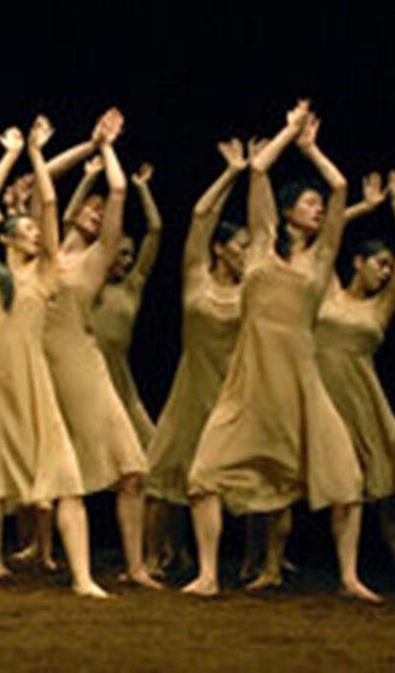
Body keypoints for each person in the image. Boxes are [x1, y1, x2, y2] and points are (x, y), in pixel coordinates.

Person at [184, 100, 380, 603]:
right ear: (289, 210)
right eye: (308, 204)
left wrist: (312, 150)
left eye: (318, 207)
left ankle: (350, 577)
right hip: (250, 381)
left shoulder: (322, 259)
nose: (317, 209)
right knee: (204, 475)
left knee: (346, 480)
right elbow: (259, 169)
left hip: (301, 382)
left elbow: (339, 189)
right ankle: (207, 575)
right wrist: (288, 130)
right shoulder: (260, 248)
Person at [0, 117, 107, 598]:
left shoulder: (47, 273)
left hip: (32, 388)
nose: (35, 234)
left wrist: (36, 152)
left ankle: (83, 578)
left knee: (66, 485)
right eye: (26, 230)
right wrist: (10, 151)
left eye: (36, 231)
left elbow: (50, 202)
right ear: (8, 238)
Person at [42, 108, 160, 588]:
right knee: (55, 473)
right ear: (72, 212)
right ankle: (37, 559)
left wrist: (108, 147)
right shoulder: (46, 249)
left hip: (82, 367)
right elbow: (46, 174)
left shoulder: (95, 260)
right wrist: (88, 146)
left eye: (99, 213)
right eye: (87, 209)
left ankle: (134, 567)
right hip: (39, 366)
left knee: (127, 468)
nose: (95, 213)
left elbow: (116, 191)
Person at [142, 139, 251, 577]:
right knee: (166, 476)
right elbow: (201, 218)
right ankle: (154, 558)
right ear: (222, 249)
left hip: (235, 388)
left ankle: (257, 564)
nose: (246, 251)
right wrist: (232, 174)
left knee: (245, 477)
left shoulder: (254, 287)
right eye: (239, 244)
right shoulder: (196, 278)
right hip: (193, 386)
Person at [316, 170, 395, 590]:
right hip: (321, 398)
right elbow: (330, 230)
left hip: (364, 402)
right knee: (303, 480)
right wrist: (363, 206)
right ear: (357, 263)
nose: (384, 272)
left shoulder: (380, 308)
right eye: (378, 264)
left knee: (389, 479)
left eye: (387, 266)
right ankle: (270, 566)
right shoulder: (325, 291)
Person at [88, 160, 162, 449]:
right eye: (121, 254)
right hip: (90, 370)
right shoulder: (89, 283)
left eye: (130, 255)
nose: (127, 261)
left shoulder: (133, 285)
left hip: (119, 372)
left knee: (146, 446)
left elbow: (155, 230)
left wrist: (143, 189)